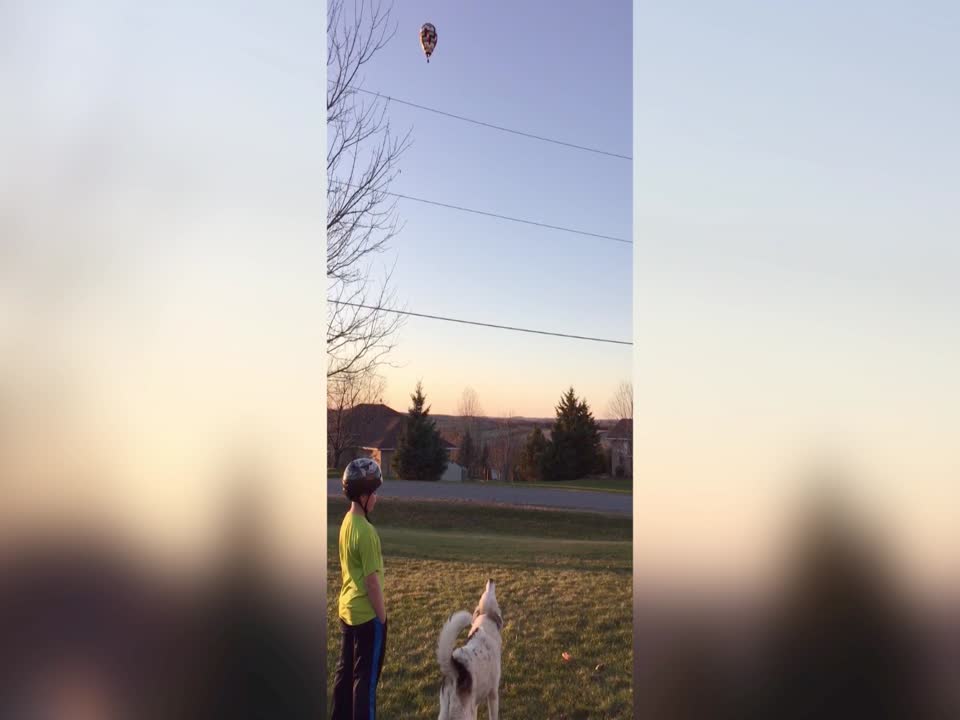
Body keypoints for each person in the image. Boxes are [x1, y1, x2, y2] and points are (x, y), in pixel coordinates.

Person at [331, 458, 388, 720]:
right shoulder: (366, 532)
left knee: (345, 675)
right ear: (363, 496)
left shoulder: (346, 522)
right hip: (366, 617)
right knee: (365, 683)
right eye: (374, 492)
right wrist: (382, 618)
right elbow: (372, 581)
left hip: (346, 611)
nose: (376, 498)